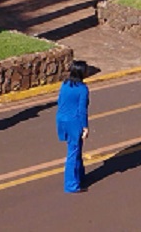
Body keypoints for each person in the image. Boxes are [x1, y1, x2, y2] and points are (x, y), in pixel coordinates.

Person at [56, 61, 90, 193]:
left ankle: (80, 176)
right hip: (74, 122)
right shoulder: (82, 89)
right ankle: (71, 185)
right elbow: (82, 110)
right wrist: (85, 127)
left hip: (62, 119)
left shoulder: (65, 84)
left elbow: (60, 101)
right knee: (73, 151)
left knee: (76, 149)